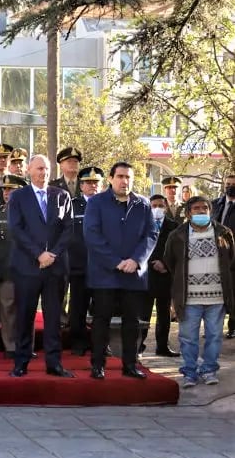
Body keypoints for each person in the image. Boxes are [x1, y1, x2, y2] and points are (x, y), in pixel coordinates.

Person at [84, 161, 157, 380]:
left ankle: (130, 365)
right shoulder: (97, 202)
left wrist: (136, 260)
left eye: (128, 177)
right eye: (120, 176)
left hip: (133, 275)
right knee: (101, 320)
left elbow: (151, 235)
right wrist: (116, 261)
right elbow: (92, 235)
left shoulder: (143, 204)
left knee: (132, 322)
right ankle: (98, 365)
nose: (125, 181)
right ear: (111, 178)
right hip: (105, 273)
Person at [7, 154, 75, 379]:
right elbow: (16, 229)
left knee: (54, 317)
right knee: (25, 316)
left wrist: (53, 253)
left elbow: (68, 229)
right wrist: (39, 254)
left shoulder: (62, 196)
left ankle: (54, 363)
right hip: (28, 267)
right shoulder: (18, 196)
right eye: (38, 169)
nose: (42, 173)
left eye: (46, 169)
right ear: (28, 171)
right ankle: (21, 362)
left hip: (55, 268)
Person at [163, 196, 235, 388]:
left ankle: (209, 370)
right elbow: (170, 262)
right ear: (188, 213)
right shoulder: (177, 235)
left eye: (205, 208)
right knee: (188, 337)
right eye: (196, 208)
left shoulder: (223, 233)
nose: (201, 211)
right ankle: (189, 372)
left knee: (214, 335)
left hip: (217, 296)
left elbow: (231, 260)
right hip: (189, 297)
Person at [0, 174, 26, 358]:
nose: (6, 192)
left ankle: (26, 345)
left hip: (28, 269)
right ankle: (11, 346)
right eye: (4, 189)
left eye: (11, 189)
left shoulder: (31, 213)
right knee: (8, 308)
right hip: (6, 268)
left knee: (27, 308)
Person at [139, 194, 181, 357]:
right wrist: (149, 262)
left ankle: (162, 346)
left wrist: (165, 264)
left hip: (165, 275)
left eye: (160, 205)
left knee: (164, 314)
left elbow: (178, 251)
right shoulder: (142, 225)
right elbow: (138, 246)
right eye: (154, 205)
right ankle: (139, 346)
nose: (157, 208)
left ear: (166, 207)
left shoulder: (174, 226)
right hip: (146, 274)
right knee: (144, 313)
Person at [67, 166, 103, 356]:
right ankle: (78, 343)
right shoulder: (72, 205)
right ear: (81, 186)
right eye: (88, 183)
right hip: (79, 265)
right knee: (78, 307)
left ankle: (100, 344)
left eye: (96, 182)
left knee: (102, 309)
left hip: (103, 267)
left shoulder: (108, 204)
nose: (93, 186)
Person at [212, 173, 235, 339]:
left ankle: (233, 327)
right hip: (215, 256)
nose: (230, 186)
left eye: (233, 184)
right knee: (216, 293)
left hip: (234, 256)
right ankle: (214, 327)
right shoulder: (215, 204)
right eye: (227, 184)